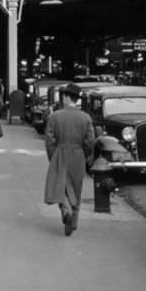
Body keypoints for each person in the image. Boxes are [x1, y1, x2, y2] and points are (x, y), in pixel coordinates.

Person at [44, 83, 96, 237]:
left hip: (60, 152)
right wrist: (84, 154)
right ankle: (73, 222)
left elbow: (49, 140)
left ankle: (66, 210)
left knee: (61, 186)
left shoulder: (55, 116)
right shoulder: (85, 118)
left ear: (66, 98)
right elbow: (90, 141)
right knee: (76, 187)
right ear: (76, 99)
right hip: (78, 154)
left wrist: (53, 156)